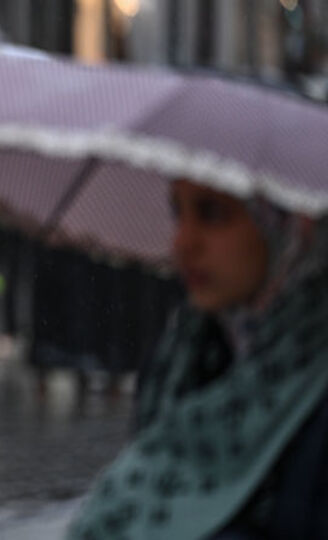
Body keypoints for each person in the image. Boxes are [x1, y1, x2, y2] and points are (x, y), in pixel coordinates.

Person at [68, 180, 328, 539]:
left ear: (291, 224)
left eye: (213, 214)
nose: (183, 242)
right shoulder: (182, 358)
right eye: (178, 213)